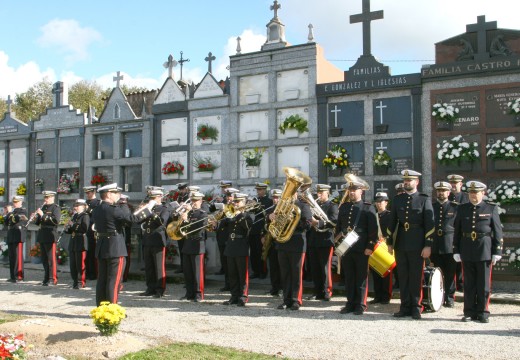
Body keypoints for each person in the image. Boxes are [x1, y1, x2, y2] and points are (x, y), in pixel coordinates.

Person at [386, 170, 434, 320]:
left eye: (410, 180)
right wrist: (389, 242)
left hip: (417, 243)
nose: (407, 183)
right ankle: (404, 306)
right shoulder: (398, 199)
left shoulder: (424, 199)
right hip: (401, 242)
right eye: (405, 180)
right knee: (403, 276)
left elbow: (430, 224)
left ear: (417, 182)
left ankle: (416, 306)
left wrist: (427, 245)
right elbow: (392, 222)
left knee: (415, 276)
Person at [453, 181, 503, 323]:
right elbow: (457, 231)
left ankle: (483, 311)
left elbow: (497, 232)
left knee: (483, 284)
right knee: (469, 283)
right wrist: (456, 249)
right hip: (467, 248)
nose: (473, 195)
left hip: (484, 249)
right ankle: (469, 311)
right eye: (471, 193)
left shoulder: (490, 208)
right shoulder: (462, 209)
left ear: (483, 193)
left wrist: (497, 250)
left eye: (476, 193)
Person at [335, 179, 377, 315]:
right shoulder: (344, 206)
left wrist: (370, 246)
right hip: (346, 247)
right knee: (349, 277)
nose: (352, 192)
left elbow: (373, 230)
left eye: (355, 190)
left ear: (361, 191)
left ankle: (360, 304)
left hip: (361, 247)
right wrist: (337, 243)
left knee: (361, 277)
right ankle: (350, 303)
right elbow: (339, 227)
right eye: (350, 190)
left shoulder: (367, 207)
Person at [272, 189, 313, 311]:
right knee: (285, 274)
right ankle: (286, 300)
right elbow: (275, 226)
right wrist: (272, 217)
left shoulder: (303, 205)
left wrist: (292, 221)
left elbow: (308, 225)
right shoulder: (281, 205)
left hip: (297, 243)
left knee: (296, 273)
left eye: (290, 191)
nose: (288, 194)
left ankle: (296, 300)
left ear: (295, 193)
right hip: (282, 243)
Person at [91, 183, 129, 305]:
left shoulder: (97, 209)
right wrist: (124, 204)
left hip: (102, 246)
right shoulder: (114, 209)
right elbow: (131, 219)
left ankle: (101, 307)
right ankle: (112, 309)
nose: (118, 195)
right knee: (114, 280)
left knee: (102, 279)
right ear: (108, 194)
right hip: (115, 248)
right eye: (115, 193)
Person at [219, 193, 253, 306]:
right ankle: (234, 296)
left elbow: (247, 229)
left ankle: (243, 296)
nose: (235, 203)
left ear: (244, 203)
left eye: (238, 202)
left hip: (241, 246)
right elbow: (221, 227)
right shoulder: (230, 215)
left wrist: (239, 215)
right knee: (232, 273)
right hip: (230, 246)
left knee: (242, 274)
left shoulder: (246, 216)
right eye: (235, 201)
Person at [307, 184, 338, 301]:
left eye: (321, 193)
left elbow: (334, 221)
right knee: (314, 268)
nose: (318, 195)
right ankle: (317, 291)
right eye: (318, 193)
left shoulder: (332, 206)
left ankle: (327, 291)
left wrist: (318, 223)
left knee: (325, 268)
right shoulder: (313, 206)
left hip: (326, 240)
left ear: (327, 193)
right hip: (313, 240)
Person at [138, 189, 170, 298]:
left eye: (154, 198)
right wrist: (141, 210)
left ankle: (160, 289)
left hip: (158, 240)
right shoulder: (148, 208)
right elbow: (138, 220)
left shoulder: (164, 209)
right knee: (149, 266)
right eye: (151, 198)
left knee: (158, 267)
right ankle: (150, 288)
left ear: (160, 197)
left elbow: (162, 222)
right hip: (147, 239)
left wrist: (150, 213)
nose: (151, 200)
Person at [431, 181, 458, 308]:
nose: (441, 193)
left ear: (448, 192)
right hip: (435, 245)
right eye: (439, 191)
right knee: (437, 273)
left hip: (449, 245)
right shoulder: (431, 207)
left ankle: (450, 297)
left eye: (444, 191)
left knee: (450, 273)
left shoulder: (455, 207)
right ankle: (439, 296)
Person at [178, 191, 207, 302]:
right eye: (192, 200)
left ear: (201, 201)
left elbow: (198, 227)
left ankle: (199, 294)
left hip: (197, 245)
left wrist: (186, 219)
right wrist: (183, 218)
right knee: (188, 271)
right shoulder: (188, 213)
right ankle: (189, 293)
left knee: (197, 273)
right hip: (187, 244)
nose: (193, 203)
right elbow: (182, 229)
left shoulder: (202, 214)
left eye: (196, 201)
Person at [212, 187, 239, 291]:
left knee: (232, 264)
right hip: (221, 238)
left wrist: (226, 211)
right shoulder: (225, 206)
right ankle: (227, 284)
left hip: (231, 238)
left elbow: (231, 221)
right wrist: (215, 224)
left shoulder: (237, 208)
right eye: (227, 196)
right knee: (225, 263)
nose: (228, 198)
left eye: (230, 196)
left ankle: (234, 285)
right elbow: (219, 221)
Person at [32, 191, 61, 286]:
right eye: (45, 197)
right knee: (44, 259)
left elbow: (56, 221)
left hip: (50, 234)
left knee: (51, 259)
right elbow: (37, 223)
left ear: (52, 198)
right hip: (42, 234)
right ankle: (46, 278)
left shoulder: (55, 208)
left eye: (47, 197)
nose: (45, 199)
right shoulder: (43, 208)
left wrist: (43, 215)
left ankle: (53, 278)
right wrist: (35, 217)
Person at [447, 174, 469, 291]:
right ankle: (451, 284)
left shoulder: (466, 197)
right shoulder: (446, 196)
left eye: (456, 183)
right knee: (451, 260)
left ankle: (461, 283)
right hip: (449, 234)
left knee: (461, 259)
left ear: (461, 184)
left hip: (461, 233)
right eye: (451, 183)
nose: (453, 186)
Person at [370, 192, 392, 305]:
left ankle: (386, 296)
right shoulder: (373, 216)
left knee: (386, 272)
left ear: (386, 203)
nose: (379, 204)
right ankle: (377, 295)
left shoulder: (390, 215)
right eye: (377, 202)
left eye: (381, 202)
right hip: (375, 246)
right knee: (376, 271)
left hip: (385, 246)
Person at [63, 199, 90, 289]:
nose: (75, 207)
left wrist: (73, 225)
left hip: (81, 241)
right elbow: (70, 231)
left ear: (83, 206)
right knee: (73, 264)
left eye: (77, 206)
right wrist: (67, 227)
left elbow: (85, 228)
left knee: (80, 263)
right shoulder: (75, 216)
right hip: (73, 241)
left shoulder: (85, 216)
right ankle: (74, 281)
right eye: (75, 206)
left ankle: (81, 281)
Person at [249, 183, 273, 279]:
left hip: (262, 228)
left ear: (264, 190)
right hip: (253, 229)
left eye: (260, 190)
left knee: (261, 252)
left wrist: (259, 207)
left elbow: (268, 214)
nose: (258, 192)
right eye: (257, 190)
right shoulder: (255, 200)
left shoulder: (269, 201)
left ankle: (263, 271)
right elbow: (250, 212)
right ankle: (255, 271)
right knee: (253, 252)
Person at [262, 189, 282, 296]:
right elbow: (265, 224)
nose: (275, 199)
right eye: (274, 197)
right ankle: (274, 288)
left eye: (277, 197)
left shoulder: (285, 209)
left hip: (281, 240)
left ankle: (282, 288)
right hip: (272, 241)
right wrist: (263, 235)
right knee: (273, 267)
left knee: (282, 267)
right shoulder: (271, 209)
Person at [5, 196, 27, 282]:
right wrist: (8, 213)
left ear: (21, 202)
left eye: (17, 202)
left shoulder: (23, 211)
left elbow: (16, 220)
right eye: (14, 202)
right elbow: (7, 223)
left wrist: (10, 213)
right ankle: (12, 276)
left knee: (18, 256)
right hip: (11, 235)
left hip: (18, 235)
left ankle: (19, 276)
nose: (15, 204)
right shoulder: (12, 212)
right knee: (12, 256)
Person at [84, 186, 102, 280]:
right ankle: (86, 272)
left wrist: (88, 209)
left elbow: (96, 215)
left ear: (94, 192)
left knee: (92, 253)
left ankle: (93, 273)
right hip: (84, 230)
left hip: (92, 231)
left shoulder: (98, 202)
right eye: (86, 193)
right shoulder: (84, 202)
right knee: (86, 253)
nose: (87, 194)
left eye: (89, 193)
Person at [174, 182, 190, 274]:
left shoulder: (188, 197)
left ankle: (186, 267)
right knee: (180, 246)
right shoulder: (179, 197)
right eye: (180, 189)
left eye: (182, 189)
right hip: (179, 224)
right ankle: (182, 265)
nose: (181, 191)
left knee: (185, 247)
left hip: (186, 224)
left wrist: (183, 206)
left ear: (186, 189)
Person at [118, 194, 133, 282]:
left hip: (125, 236)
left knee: (125, 257)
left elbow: (127, 223)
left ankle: (124, 276)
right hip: (122, 235)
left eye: (122, 200)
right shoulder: (121, 207)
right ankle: (123, 276)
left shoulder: (125, 208)